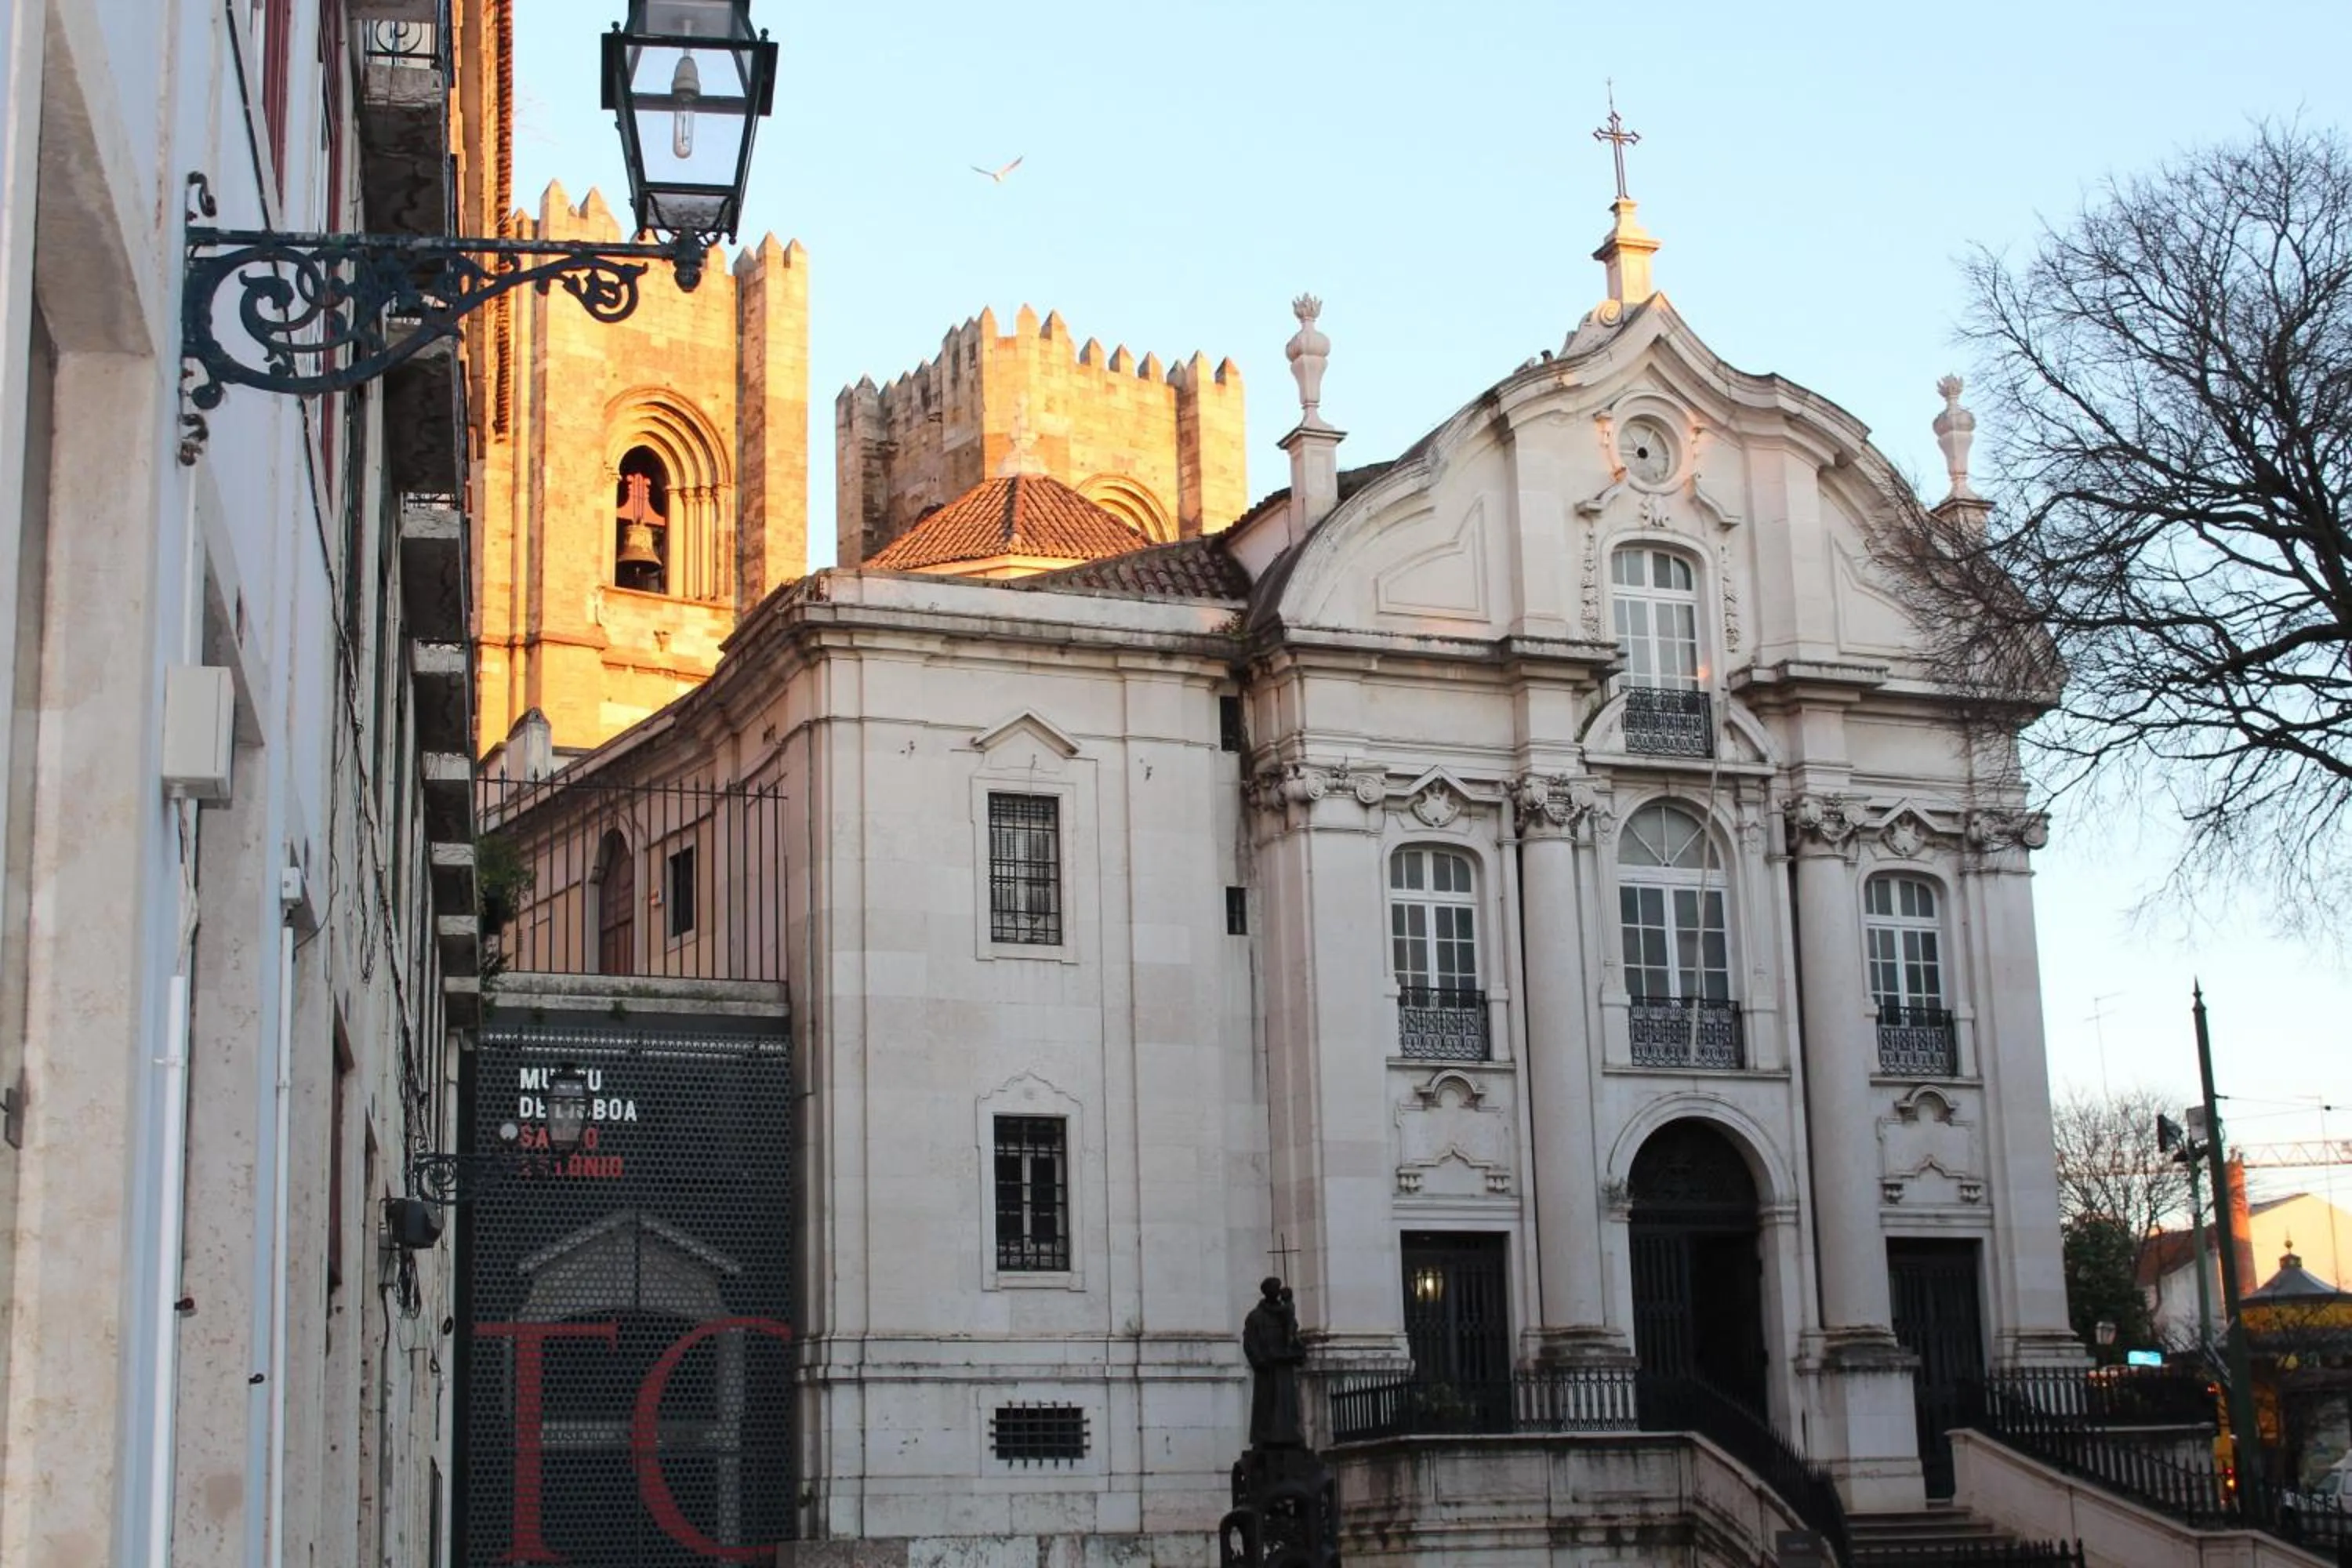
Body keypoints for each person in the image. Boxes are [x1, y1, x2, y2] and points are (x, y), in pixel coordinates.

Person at [1243, 1276, 1305, 1447]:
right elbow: (1250, 1343)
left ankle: (1289, 1434)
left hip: (1284, 1369)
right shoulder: (1256, 1317)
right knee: (1268, 1408)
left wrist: (1290, 1307)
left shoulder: (1285, 1314)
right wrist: (1261, 1361)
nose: (1276, 1291)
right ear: (1266, 1291)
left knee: (1286, 1407)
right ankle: (1266, 1436)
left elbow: (1293, 1336)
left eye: (1278, 1288)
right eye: (1273, 1288)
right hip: (1268, 1372)